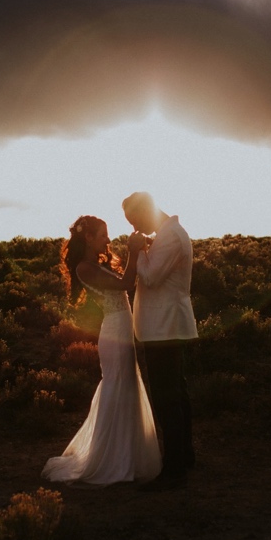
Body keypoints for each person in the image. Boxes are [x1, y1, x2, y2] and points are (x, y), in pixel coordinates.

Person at [42, 215, 162, 486]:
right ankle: (111, 458)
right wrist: (132, 252)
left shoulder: (96, 263)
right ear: (88, 237)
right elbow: (125, 284)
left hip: (121, 330)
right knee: (117, 388)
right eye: (103, 235)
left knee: (125, 388)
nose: (108, 240)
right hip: (114, 333)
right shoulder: (85, 268)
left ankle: (125, 454)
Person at [123, 192, 198, 490]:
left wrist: (136, 251)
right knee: (176, 392)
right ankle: (185, 456)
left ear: (147, 212)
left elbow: (151, 277)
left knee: (168, 396)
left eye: (135, 220)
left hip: (164, 327)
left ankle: (175, 467)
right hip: (164, 326)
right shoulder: (169, 234)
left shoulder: (170, 237)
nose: (135, 228)